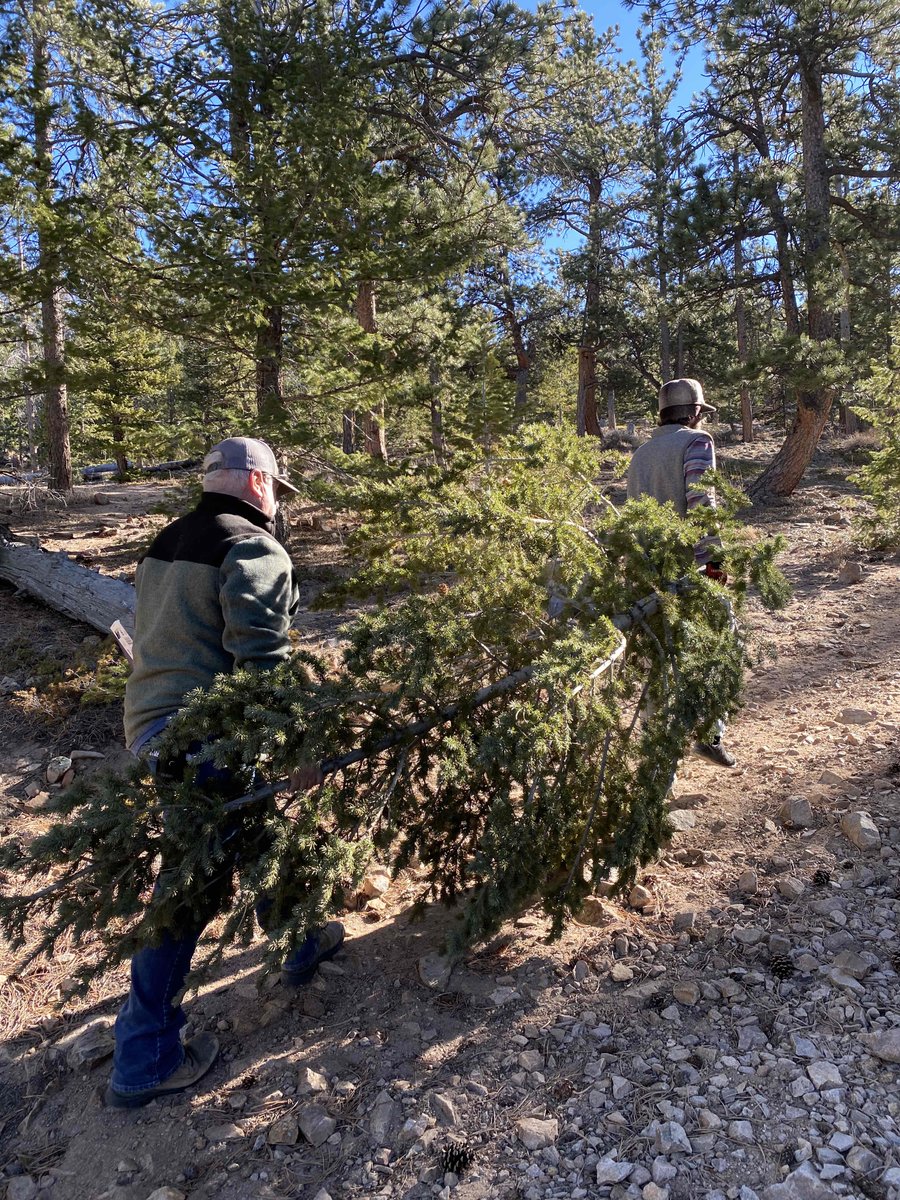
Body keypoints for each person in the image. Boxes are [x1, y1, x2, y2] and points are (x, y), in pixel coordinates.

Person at [106, 436, 344, 1109]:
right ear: (258, 482)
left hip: (155, 730)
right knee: (188, 889)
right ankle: (143, 1055)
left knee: (252, 831)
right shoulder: (254, 547)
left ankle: (298, 941)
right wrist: (298, 748)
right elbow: (263, 661)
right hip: (204, 739)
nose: (279, 505)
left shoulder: (167, 539)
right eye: (277, 490)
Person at [626, 378, 737, 769]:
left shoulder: (640, 454)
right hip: (688, 570)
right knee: (718, 644)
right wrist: (713, 564)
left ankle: (655, 756)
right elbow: (701, 501)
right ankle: (710, 734)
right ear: (693, 413)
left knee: (660, 659)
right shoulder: (697, 442)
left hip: (646, 572)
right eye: (699, 414)